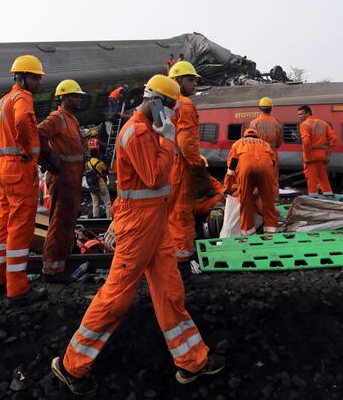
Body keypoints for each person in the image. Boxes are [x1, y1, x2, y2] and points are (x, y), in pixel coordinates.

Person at [50, 74, 224, 396]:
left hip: (155, 223)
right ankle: (72, 365)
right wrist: (170, 140)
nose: (173, 113)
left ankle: (192, 360)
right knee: (116, 297)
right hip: (138, 226)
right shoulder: (138, 133)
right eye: (170, 106)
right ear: (155, 102)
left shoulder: (151, 133)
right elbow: (156, 175)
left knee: (170, 290)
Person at [0, 54, 46, 303]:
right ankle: (17, 289)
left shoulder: (3, 100)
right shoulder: (22, 97)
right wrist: (26, 149)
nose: (39, 82)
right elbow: (22, 120)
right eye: (35, 77)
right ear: (20, 77)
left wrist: (0, 153)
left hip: (5, 169)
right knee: (20, 227)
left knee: (4, 224)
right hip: (20, 169)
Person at [38, 79, 87, 281]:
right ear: (63, 98)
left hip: (72, 177)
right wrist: (50, 157)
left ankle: (61, 263)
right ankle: (51, 269)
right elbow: (39, 132)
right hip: (64, 176)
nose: (79, 99)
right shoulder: (57, 118)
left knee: (67, 221)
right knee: (59, 222)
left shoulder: (71, 119)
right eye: (75, 96)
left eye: (79, 96)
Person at [168, 61, 205, 281]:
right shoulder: (186, 104)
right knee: (183, 212)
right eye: (191, 79)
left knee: (172, 212)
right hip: (182, 165)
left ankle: (172, 255)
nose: (195, 83)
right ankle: (182, 263)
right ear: (178, 81)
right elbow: (187, 142)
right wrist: (197, 168)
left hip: (170, 163)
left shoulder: (169, 105)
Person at [224, 128, 279, 235]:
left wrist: (227, 187)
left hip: (246, 169)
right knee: (268, 202)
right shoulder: (266, 144)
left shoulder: (237, 144)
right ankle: (271, 235)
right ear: (257, 137)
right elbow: (273, 164)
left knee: (245, 203)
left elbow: (231, 168)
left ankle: (249, 235)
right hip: (266, 170)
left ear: (245, 136)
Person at [297, 105, 337, 194]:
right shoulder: (323, 123)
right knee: (324, 179)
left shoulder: (304, 124)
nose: (299, 116)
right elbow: (333, 138)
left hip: (311, 158)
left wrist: (307, 157)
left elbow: (306, 142)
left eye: (301, 114)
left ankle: (313, 200)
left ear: (308, 113)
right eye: (298, 115)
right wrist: (327, 153)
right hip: (322, 156)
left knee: (311, 181)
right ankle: (329, 198)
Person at [248, 97, 282, 196]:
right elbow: (279, 142)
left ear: (260, 108)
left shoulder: (254, 123)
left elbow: (250, 141)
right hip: (272, 155)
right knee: (273, 178)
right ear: (271, 108)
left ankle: (258, 199)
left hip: (257, 155)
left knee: (257, 177)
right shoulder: (277, 123)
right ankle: (274, 200)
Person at [86, 150, 112, 219]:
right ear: (97, 154)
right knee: (107, 204)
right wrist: (107, 162)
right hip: (101, 185)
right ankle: (109, 217)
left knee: (95, 204)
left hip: (92, 186)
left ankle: (95, 218)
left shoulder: (88, 163)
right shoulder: (100, 163)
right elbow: (106, 171)